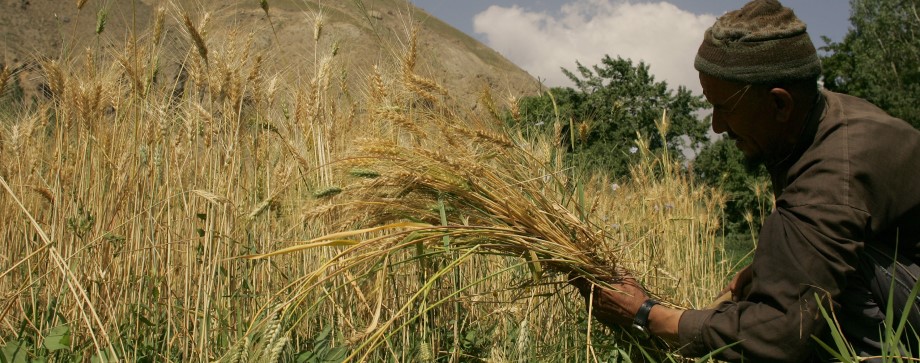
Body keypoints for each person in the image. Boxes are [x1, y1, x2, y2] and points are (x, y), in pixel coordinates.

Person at [571, 0, 920, 361]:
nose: (716, 126)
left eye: (723, 108)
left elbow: (782, 333)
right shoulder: (828, 116)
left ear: (779, 105)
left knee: (816, 311)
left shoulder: (832, 179)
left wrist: (647, 314)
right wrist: (768, 268)